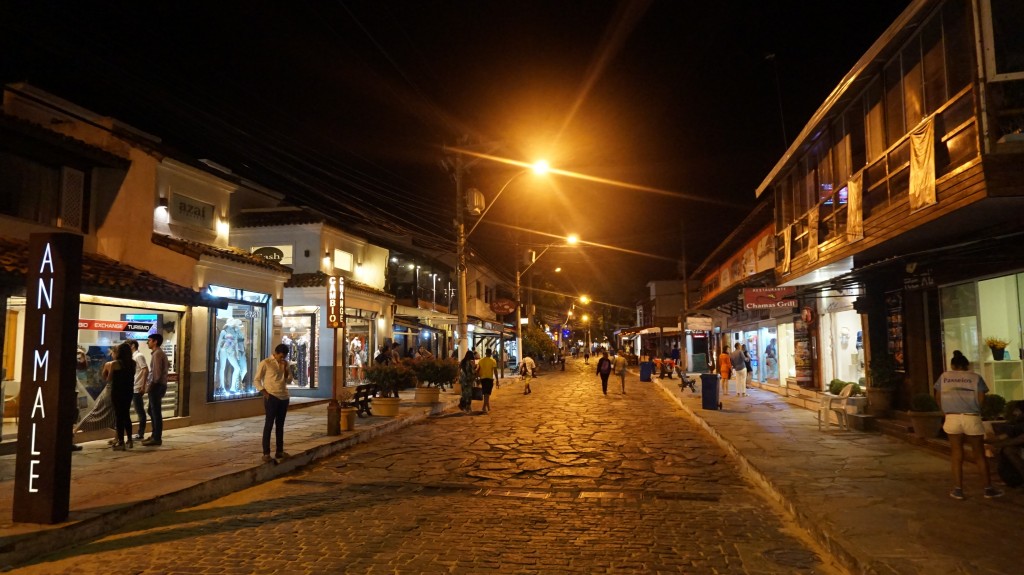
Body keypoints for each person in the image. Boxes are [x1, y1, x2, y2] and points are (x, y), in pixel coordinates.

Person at [934, 350, 1003, 500]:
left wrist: (945, 412)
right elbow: (981, 398)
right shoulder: (975, 377)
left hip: (952, 417)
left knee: (956, 454)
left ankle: (958, 490)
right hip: (971, 417)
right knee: (979, 454)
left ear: (952, 365)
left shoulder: (944, 377)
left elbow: (938, 397)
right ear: (967, 365)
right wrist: (976, 410)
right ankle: (988, 489)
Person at [255, 343, 294, 462]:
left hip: (284, 396)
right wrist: (265, 393)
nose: (282, 358)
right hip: (272, 396)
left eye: (284, 357)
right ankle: (266, 453)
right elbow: (257, 380)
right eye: (280, 356)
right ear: (275, 353)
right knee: (269, 424)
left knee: (280, 425)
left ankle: (279, 451)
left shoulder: (285, 364)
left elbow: (289, 380)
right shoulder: (266, 363)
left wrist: (286, 368)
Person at [104, 342, 136, 451]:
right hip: (128, 391)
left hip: (117, 391)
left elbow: (109, 379)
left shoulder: (115, 363)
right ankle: (130, 440)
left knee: (119, 416)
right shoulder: (133, 363)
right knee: (126, 415)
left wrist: (108, 370)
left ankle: (121, 442)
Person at [142, 333, 168, 446]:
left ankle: (157, 437)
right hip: (158, 385)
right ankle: (154, 435)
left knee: (155, 412)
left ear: (155, 341)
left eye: (149, 340)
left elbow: (156, 375)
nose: (147, 342)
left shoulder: (157, 354)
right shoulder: (157, 353)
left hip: (157, 386)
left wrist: (150, 387)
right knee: (151, 411)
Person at [128, 339, 149, 441]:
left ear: (132, 345)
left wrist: (143, 385)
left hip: (137, 387)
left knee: (140, 411)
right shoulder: (133, 356)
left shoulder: (138, 356)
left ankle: (141, 433)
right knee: (138, 410)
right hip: (133, 386)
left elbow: (145, 369)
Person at [477, 348, 498, 413]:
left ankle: (488, 406)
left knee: (485, 393)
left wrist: (477, 378)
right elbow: (495, 371)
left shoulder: (481, 360)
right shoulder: (493, 361)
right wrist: (497, 379)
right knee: (487, 393)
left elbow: (478, 369)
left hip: (482, 379)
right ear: (491, 353)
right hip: (489, 378)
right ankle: (484, 407)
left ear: (486, 353)